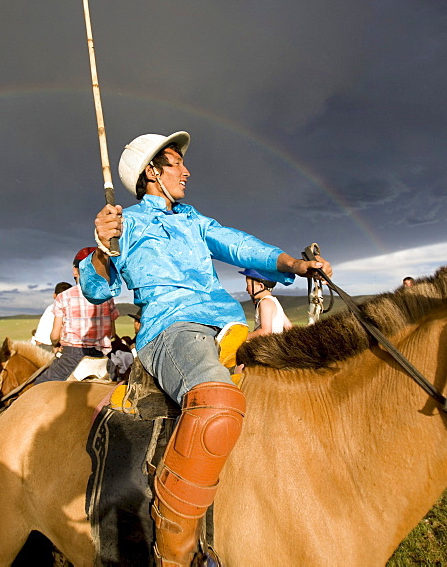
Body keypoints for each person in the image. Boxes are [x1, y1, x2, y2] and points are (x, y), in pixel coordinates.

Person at [79, 131, 331, 566]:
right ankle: (174, 552)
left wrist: (294, 264)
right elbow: (96, 287)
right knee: (216, 403)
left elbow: (240, 245)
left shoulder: (195, 220)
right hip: (171, 330)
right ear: (151, 172)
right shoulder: (127, 224)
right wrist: (103, 249)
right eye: (176, 163)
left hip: (228, 327)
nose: (186, 170)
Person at [32, 248, 119, 385]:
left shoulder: (64, 297)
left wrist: (55, 345)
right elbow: (112, 333)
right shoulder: (107, 298)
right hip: (102, 360)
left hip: (71, 358)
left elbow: (55, 335)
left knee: (37, 387)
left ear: (75, 271)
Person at [241, 268, 293, 339]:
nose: (246, 289)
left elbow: (266, 332)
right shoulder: (275, 301)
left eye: (248, 285)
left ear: (261, 286)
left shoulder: (265, 303)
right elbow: (289, 327)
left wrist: (244, 337)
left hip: (265, 347)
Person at [31, 282, 73, 353]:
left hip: (37, 345)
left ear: (54, 296)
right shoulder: (64, 309)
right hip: (48, 347)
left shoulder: (50, 307)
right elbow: (56, 337)